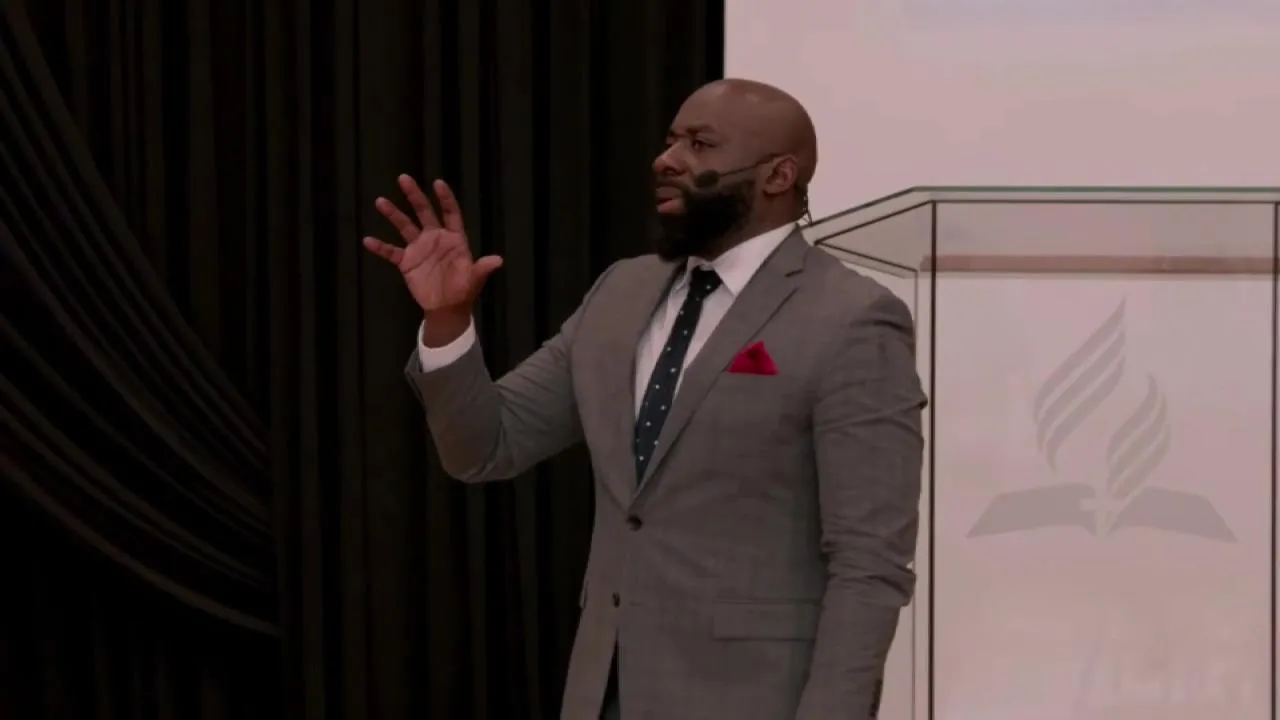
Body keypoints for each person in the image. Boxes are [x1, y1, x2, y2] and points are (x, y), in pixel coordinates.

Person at [363, 78, 927, 720]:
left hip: (754, 699)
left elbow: (870, 561)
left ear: (778, 175)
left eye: (700, 144)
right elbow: (486, 446)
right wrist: (447, 321)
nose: (667, 159)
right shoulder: (621, 290)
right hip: (604, 690)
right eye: (670, 141)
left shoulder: (852, 318)